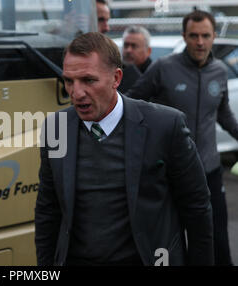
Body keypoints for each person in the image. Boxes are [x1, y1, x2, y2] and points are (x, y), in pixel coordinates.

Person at [35, 32, 214, 266]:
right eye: (69, 81)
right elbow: (48, 212)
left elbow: (197, 209)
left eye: (88, 80)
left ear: (116, 78)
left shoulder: (165, 126)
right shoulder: (55, 128)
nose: (77, 93)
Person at [126, 10, 236, 266]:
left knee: (216, 239)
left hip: (209, 169)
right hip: (170, 173)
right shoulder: (163, 68)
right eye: (194, 36)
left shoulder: (219, 71)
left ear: (213, 37)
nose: (200, 42)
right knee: (171, 242)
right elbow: (132, 104)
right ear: (184, 36)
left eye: (206, 36)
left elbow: (224, 114)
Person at [118, 25, 153, 94]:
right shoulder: (115, 73)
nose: (128, 50)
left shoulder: (155, 76)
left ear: (148, 51)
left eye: (134, 46)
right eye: (126, 45)